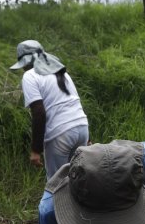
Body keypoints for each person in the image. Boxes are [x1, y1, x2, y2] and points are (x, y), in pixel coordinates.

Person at [10, 40, 89, 179]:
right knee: (75, 180)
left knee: (56, 184)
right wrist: (87, 138)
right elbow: (75, 103)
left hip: (60, 134)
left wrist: (36, 150)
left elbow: (39, 113)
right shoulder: (61, 72)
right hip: (82, 128)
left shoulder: (30, 75)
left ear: (27, 62)